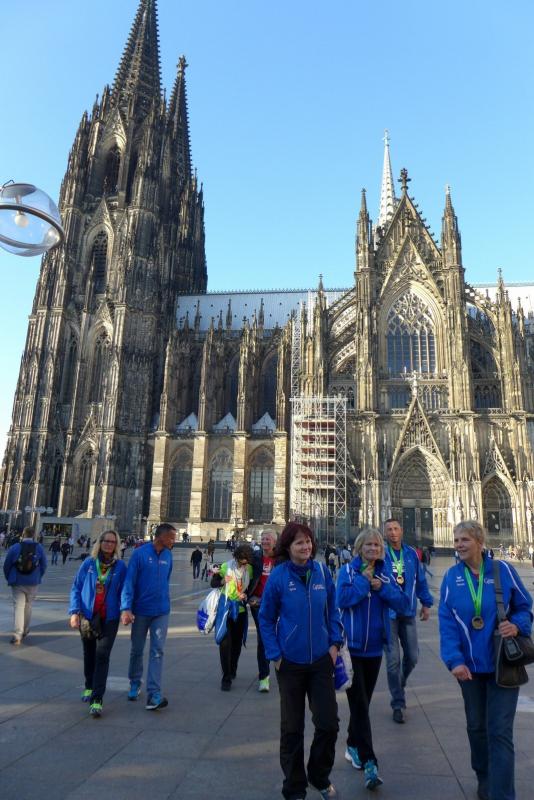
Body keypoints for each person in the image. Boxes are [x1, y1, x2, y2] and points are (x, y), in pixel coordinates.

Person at [439, 520, 532, 800]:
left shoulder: (503, 570)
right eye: (456, 540)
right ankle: (484, 776)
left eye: (464, 539)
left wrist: (517, 625)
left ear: (480, 543)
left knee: (500, 732)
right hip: (469, 668)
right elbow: (447, 623)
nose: (459, 545)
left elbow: (525, 607)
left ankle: (502, 794)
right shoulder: (451, 577)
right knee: (477, 728)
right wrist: (454, 660)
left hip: (503, 664)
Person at [260, 522, 342, 800]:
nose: (306, 546)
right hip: (290, 663)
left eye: (308, 541)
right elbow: (266, 618)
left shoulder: (321, 572)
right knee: (292, 728)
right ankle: (294, 787)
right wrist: (275, 655)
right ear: (288, 547)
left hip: (320, 660)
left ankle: (318, 775)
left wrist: (334, 643)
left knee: (328, 723)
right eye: (299, 543)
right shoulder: (279, 576)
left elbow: (333, 610)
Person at [337, 528, 410, 790]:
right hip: (351, 649)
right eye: (368, 545)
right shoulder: (347, 572)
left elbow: (403, 604)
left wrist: (383, 588)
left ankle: (351, 744)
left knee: (362, 704)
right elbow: (341, 599)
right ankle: (370, 762)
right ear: (359, 548)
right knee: (359, 703)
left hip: (374, 649)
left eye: (377, 545)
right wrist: (363, 583)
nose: (372, 549)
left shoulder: (386, 574)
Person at [69, 530, 127, 717]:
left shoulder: (120, 566)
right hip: (87, 615)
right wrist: (74, 612)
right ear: (99, 542)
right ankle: (89, 685)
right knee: (89, 654)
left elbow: (124, 590)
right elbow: (76, 587)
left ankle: (97, 698)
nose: (109, 544)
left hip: (109, 617)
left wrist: (126, 609)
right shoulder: (88, 563)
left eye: (112, 542)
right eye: (106, 541)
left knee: (102, 656)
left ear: (116, 545)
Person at [383, 518, 434, 723]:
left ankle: (399, 683)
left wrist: (426, 603)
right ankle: (398, 702)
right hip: (388, 614)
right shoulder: (380, 553)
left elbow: (420, 580)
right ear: (385, 533)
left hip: (408, 612)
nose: (393, 532)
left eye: (396, 528)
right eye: (389, 529)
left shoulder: (411, 554)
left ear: (402, 531)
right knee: (392, 661)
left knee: (412, 657)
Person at [121, 522, 176, 710]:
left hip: (161, 611)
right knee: (137, 649)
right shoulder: (139, 554)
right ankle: (135, 682)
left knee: (157, 651)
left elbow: (166, 579)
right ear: (161, 536)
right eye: (172, 537)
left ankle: (154, 694)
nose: (174, 541)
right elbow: (129, 582)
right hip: (140, 610)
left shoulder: (168, 555)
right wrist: (126, 608)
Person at [211, 544, 254, 690]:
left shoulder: (250, 569)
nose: (243, 565)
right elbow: (213, 583)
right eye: (241, 562)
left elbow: (251, 588)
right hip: (225, 610)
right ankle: (226, 677)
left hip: (240, 612)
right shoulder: (226, 567)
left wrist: (246, 595)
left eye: (245, 563)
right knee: (224, 644)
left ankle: (233, 668)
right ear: (236, 558)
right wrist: (223, 581)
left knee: (236, 644)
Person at [3, 526, 47, 645]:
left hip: (17, 581)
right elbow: (44, 565)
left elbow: (7, 565)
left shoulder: (15, 547)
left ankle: (17, 634)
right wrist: (38, 576)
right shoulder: (39, 547)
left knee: (18, 607)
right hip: (33, 582)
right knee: (28, 606)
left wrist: (9, 577)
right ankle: (25, 629)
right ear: (33, 535)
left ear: (23, 534)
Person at [248, 529, 277, 692]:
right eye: (263, 539)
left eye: (268, 539)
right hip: (258, 603)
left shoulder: (281, 559)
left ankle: (283, 670)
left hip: (276, 604)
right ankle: (264, 677)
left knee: (280, 636)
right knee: (263, 638)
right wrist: (247, 595)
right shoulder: (255, 557)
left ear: (274, 542)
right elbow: (244, 573)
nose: (265, 541)